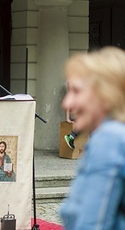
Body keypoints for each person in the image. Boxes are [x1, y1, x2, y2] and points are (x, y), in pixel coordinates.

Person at [60, 46, 125, 229]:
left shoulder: (109, 140)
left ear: (106, 95)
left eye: (77, 91)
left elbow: (91, 223)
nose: (67, 102)